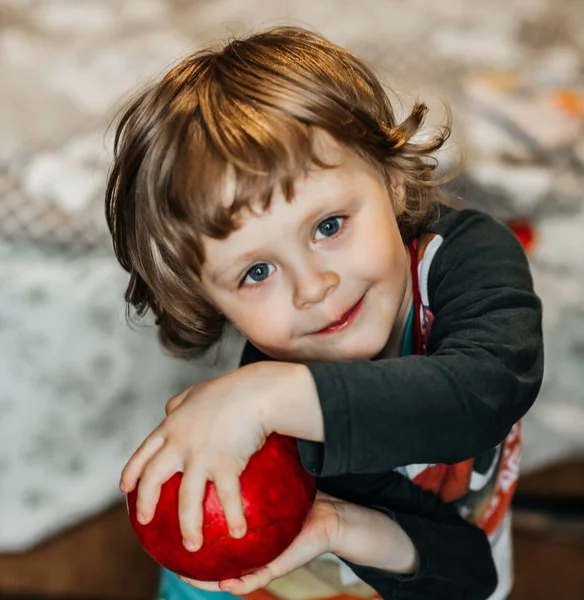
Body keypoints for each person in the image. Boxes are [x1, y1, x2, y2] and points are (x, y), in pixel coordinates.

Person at [105, 26, 543, 600]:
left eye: (328, 226)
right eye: (255, 272)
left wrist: (269, 405)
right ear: (213, 301)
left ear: (389, 181)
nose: (313, 288)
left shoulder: (464, 258)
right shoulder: (280, 421)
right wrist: (333, 520)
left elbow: (484, 393)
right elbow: (460, 573)